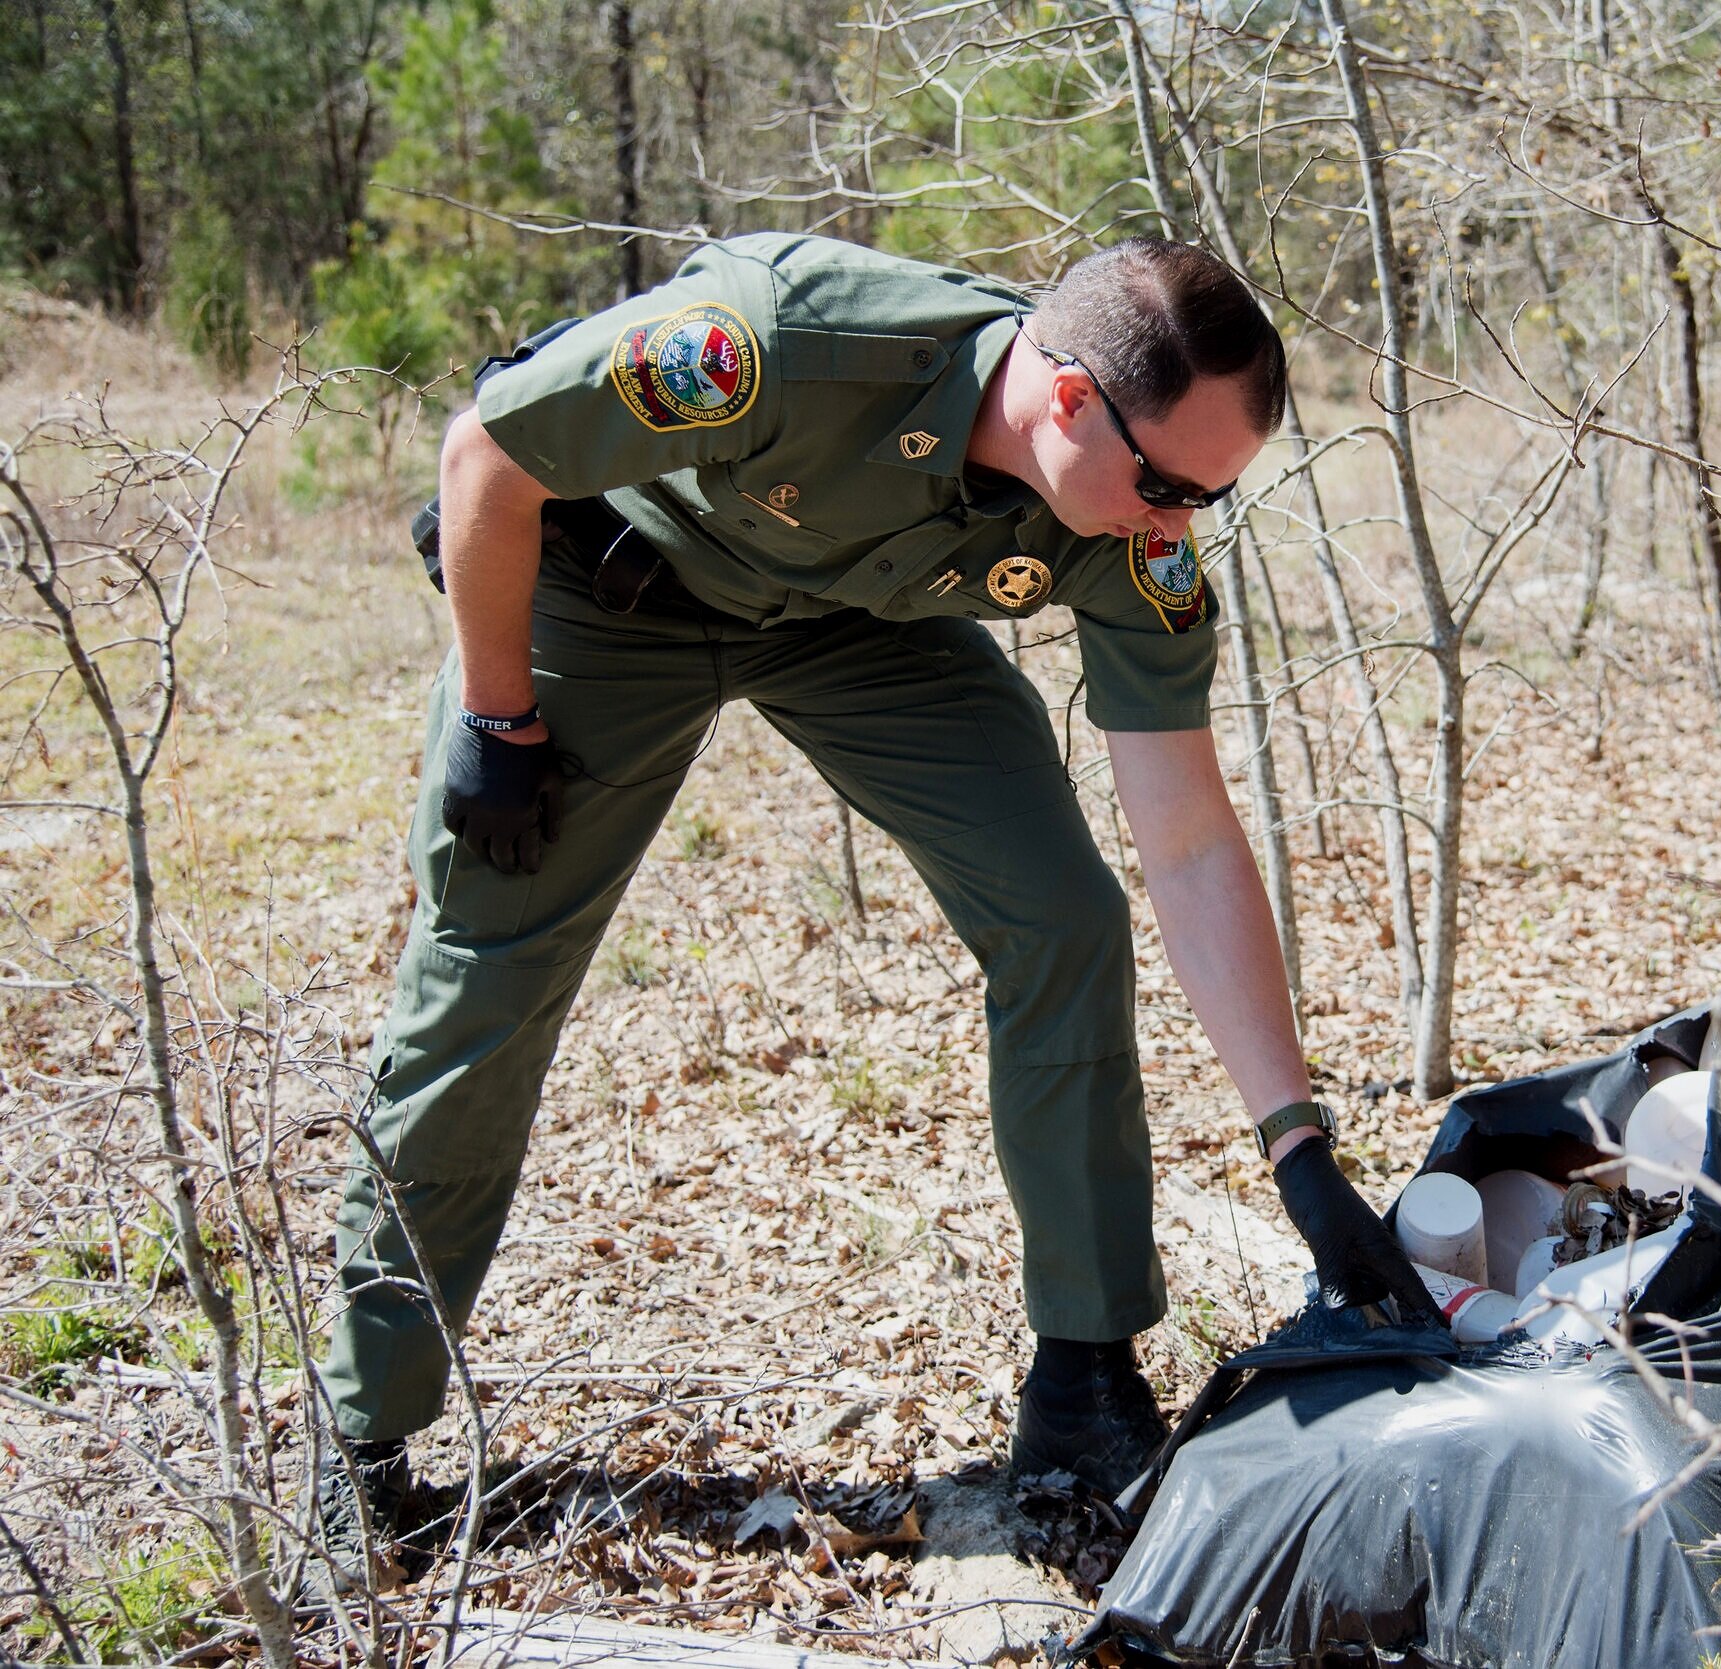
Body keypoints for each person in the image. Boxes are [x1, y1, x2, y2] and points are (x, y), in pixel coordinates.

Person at [315, 232, 1441, 1576]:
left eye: (1211, 499)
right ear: (1066, 397)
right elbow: (487, 453)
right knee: (489, 972)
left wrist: (1299, 1150)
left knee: (1061, 914)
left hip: (854, 621)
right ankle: (362, 1442)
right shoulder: (779, 343)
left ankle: (1084, 1382)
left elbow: (1189, 839)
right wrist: (499, 717)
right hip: (610, 591)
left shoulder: (1125, 526)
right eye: (1169, 485)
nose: (1179, 524)